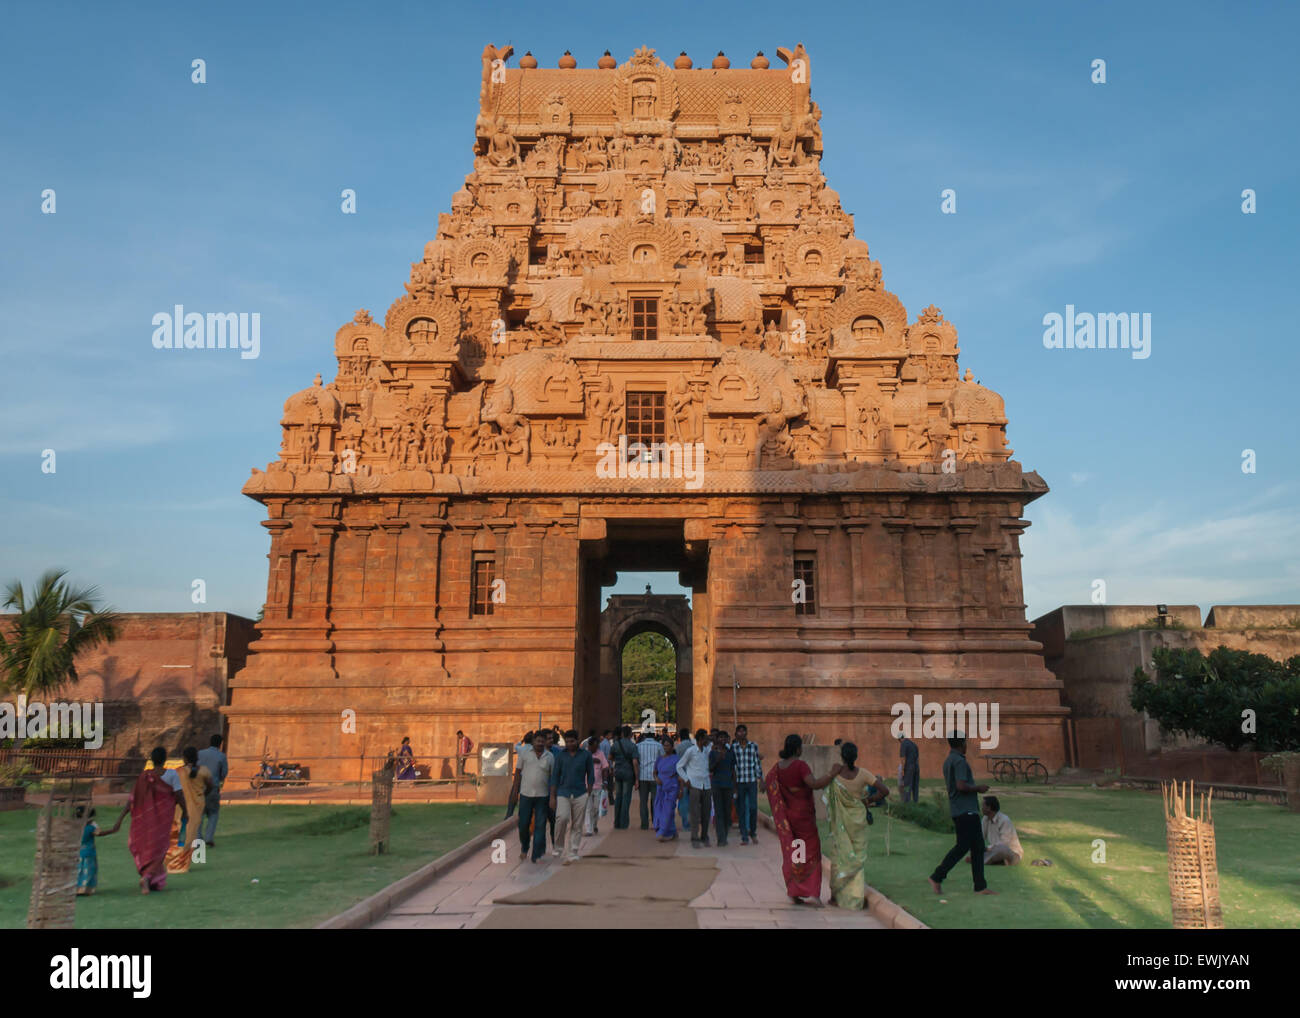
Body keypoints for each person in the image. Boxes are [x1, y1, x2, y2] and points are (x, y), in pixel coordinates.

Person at [765, 734, 836, 904]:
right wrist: (832, 773)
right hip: (803, 818)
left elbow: (767, 783)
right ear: (798, 749)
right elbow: (814, 784)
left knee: (796, 851)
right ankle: (812, 892)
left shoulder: (778, 767)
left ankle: (795, 891)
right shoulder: (800, 766)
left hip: (788, 819)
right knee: (811, 852)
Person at [823, 741, 890, 908]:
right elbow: (885, 791)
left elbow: (825, 792)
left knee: (839, 857)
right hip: (858, 822)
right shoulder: (864, 774)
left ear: (842, 756)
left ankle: (834, 897)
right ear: (856, 756)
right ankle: (855, 898)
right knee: (857, 859)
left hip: (841, 824)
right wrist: (869, 800)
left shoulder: (836, 774)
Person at [928, 735, 996, 896]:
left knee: (977, 847)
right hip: (967, 810)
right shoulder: (959, 761)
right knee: (963, 847)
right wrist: (978, 788)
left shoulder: (949, 761)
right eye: (966, 742)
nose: (967, 745)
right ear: (961, 743)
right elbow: (960, 786)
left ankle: (980, 886)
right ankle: (937, 876)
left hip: (959, 809)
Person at [123, 747, 181, 894]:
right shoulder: (172, 774)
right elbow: (179, 795)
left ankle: (151, 878)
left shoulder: (144, 776)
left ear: (152, 759)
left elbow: (133, 800)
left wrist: (120, 819)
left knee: (147, 848)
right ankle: (148, 877)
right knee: (160, 849)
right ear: (165, 759)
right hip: (162, 820)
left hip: (145, 821)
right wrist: (187, 812)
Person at [548, 729, 594, 864]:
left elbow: (590, 774)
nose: (569, 744)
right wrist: (552, 796)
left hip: (580, 792)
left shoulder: (585, 755)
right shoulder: (561, 756)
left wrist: (589, 791)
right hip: (563, 792)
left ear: (577, 741)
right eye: (567, 742)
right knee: (562, 818)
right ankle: (558, 847)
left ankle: (573, 851)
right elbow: (555, 776)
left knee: (577, 824)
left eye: (572, 741)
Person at [165, 746, 213, 874]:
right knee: (190, 835)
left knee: (176, 834)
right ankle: (182, 863)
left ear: (184, 758)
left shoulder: (178, 772)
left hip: (180, 807)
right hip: (197, 806)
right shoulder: (204, 771)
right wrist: (201, 795)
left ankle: (174, 861)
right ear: (197, 758)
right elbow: (210, 786)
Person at [512, 733, 554, 863]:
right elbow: (518, 772)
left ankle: (536, 853)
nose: (540, 743)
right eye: (538, 741)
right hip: (526, 795)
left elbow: (553, 778)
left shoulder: (550, 756)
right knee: (523, 824)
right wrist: (515, 791)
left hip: (542, 796)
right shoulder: (525, 753)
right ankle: (525, 846)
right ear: (533, 742)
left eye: (542, 741)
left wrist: (553, 796)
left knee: (540, 825)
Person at [676, 729, 713, 847]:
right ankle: (694, 837)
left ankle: (704, 835)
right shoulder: (690, 751)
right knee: (695, 813)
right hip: (694, 785)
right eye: (706, 738)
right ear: (701, 739)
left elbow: (714, 745)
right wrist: (686, 779)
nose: (708, 741)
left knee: (706, 812)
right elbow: (679, 766)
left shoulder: (707, 751)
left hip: (706, 784)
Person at [75, 805, 119, 896]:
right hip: (89, 852)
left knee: (79, 870)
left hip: (78, 852)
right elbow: (100, 833)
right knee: (89, 870)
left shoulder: (75, 826)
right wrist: (112, 830)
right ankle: (86, 889)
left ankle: (77, 888)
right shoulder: (91, 828)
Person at [730, 724, 762, 845]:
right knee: (741, 809)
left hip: (751, 780)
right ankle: (744, 836)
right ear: (736, 734)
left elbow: (757, 762)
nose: (741, 733)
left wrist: (761, 779)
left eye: (743, 731)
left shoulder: (753, 746)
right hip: (739, 782)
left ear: (746, 733)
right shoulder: (734, 747)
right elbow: (733, 766)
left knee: (753, 807)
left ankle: (752, 832)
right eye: (739, 732)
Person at [197, 734, 228, 846]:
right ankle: (209, 837)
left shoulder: (200, 753)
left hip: (199, 787)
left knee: (199, 813)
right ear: (220, 744)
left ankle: (198, 837)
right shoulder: (221, 756)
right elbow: (224, 773)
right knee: (213, 813)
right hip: (213, 788)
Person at [708, 730, 737, 847]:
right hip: (717, 785)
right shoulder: (713, 753)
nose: (722, 740)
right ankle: (721, 837)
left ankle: (724, 833)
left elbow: (733, 770)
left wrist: (735, 787)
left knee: (727, 812)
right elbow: (710, 769)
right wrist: (718, 759)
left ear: (727, 740)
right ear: (717, 739)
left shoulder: (731, 753)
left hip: (728, 785)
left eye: (725, 738)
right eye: (720, 738)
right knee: (719, 811)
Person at [608, 725, 639, 830]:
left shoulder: (616, 745)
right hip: (628, 774)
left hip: (618, 773)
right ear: (631, 735)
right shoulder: (633, 746)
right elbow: (635, 762)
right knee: (626, 798)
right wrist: (637, 778)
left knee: (618, 797)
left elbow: (610, 757)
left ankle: (616, 822)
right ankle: (624, 823)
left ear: (621, 734)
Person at [981, 795, 1023, 866]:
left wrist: (987, 849)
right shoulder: (985, 819)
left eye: (983, 806)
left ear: (989, 808)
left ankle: (981, 860)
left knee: (1001, 849)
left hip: (1012, 853)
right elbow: (981, 836)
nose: (981, 808)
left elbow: (1004, 843)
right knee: (979, 849)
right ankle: (996, 861)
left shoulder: (1004, 820)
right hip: (993, 851)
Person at [653, 736, 680, 841]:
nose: (666, 748)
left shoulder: (676, 759)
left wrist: (681, 790)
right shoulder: (660, 758)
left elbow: (680, 775)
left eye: (668, 746)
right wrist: (656, 778)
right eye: (664, 746)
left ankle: (663, 833)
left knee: (668, 810)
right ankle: (672, 831)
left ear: (672, 747)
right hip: (660, 787)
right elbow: (654, 772)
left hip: (672, 787)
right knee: (660, 809)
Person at [637, 730, 664, 830]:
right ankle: (655, 822)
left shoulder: (638, 746)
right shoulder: (659, 746)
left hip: (642, 776)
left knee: (643, 801)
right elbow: (663, 759)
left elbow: (636, 760)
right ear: (654, 735)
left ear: (644, 735)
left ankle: (644, 824)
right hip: (655, 776)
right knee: (655, 800)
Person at [585, 736, 611, 835]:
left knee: (596, 808)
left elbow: (605, 768)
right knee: (588, 808)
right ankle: (589, 829)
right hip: (586, 786)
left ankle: (594, 824)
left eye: (597, 746)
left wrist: (605, 782)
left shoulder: (600, 754)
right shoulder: (584, 754)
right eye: (594, 747)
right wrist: (592, 761)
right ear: (589, 746)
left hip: (598, 785)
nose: (595, 749)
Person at [675, 729, 692, 831]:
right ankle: (691, 821)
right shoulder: (693, 746)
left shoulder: (678, 747)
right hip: (693, 776)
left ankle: (685, 822)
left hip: (682, 776)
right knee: (692, 800)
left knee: (683, 799)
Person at [899, 733, 920, 804]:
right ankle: (915, 801)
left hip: (909, 767)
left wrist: (902, 770)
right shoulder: (914, 744)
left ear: (900, 739)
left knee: (907, 785)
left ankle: (906, 802)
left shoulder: (903, 744)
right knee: (915, 785)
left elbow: (903, 758)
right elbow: (917, 758)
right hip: (916, 767)